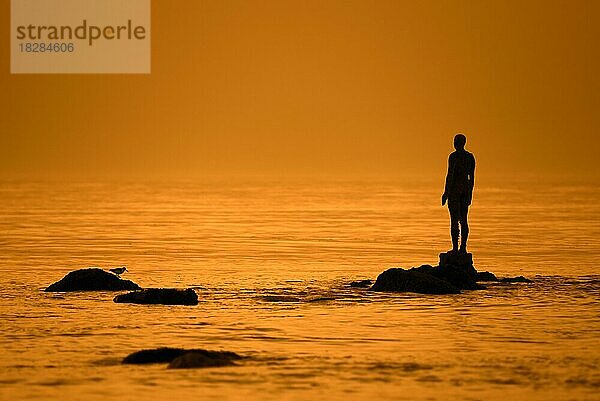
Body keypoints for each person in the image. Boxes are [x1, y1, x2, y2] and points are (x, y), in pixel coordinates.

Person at [442, 134, 475, 253]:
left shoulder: (453, 157)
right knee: (464, 219)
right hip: (465, 190)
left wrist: (446, 193)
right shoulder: (470, 157)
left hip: (455, 191)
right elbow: (471, 179)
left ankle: (456, 248)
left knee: (455, 220)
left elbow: (450, 175)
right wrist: (470, 193)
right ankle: (462, 248)